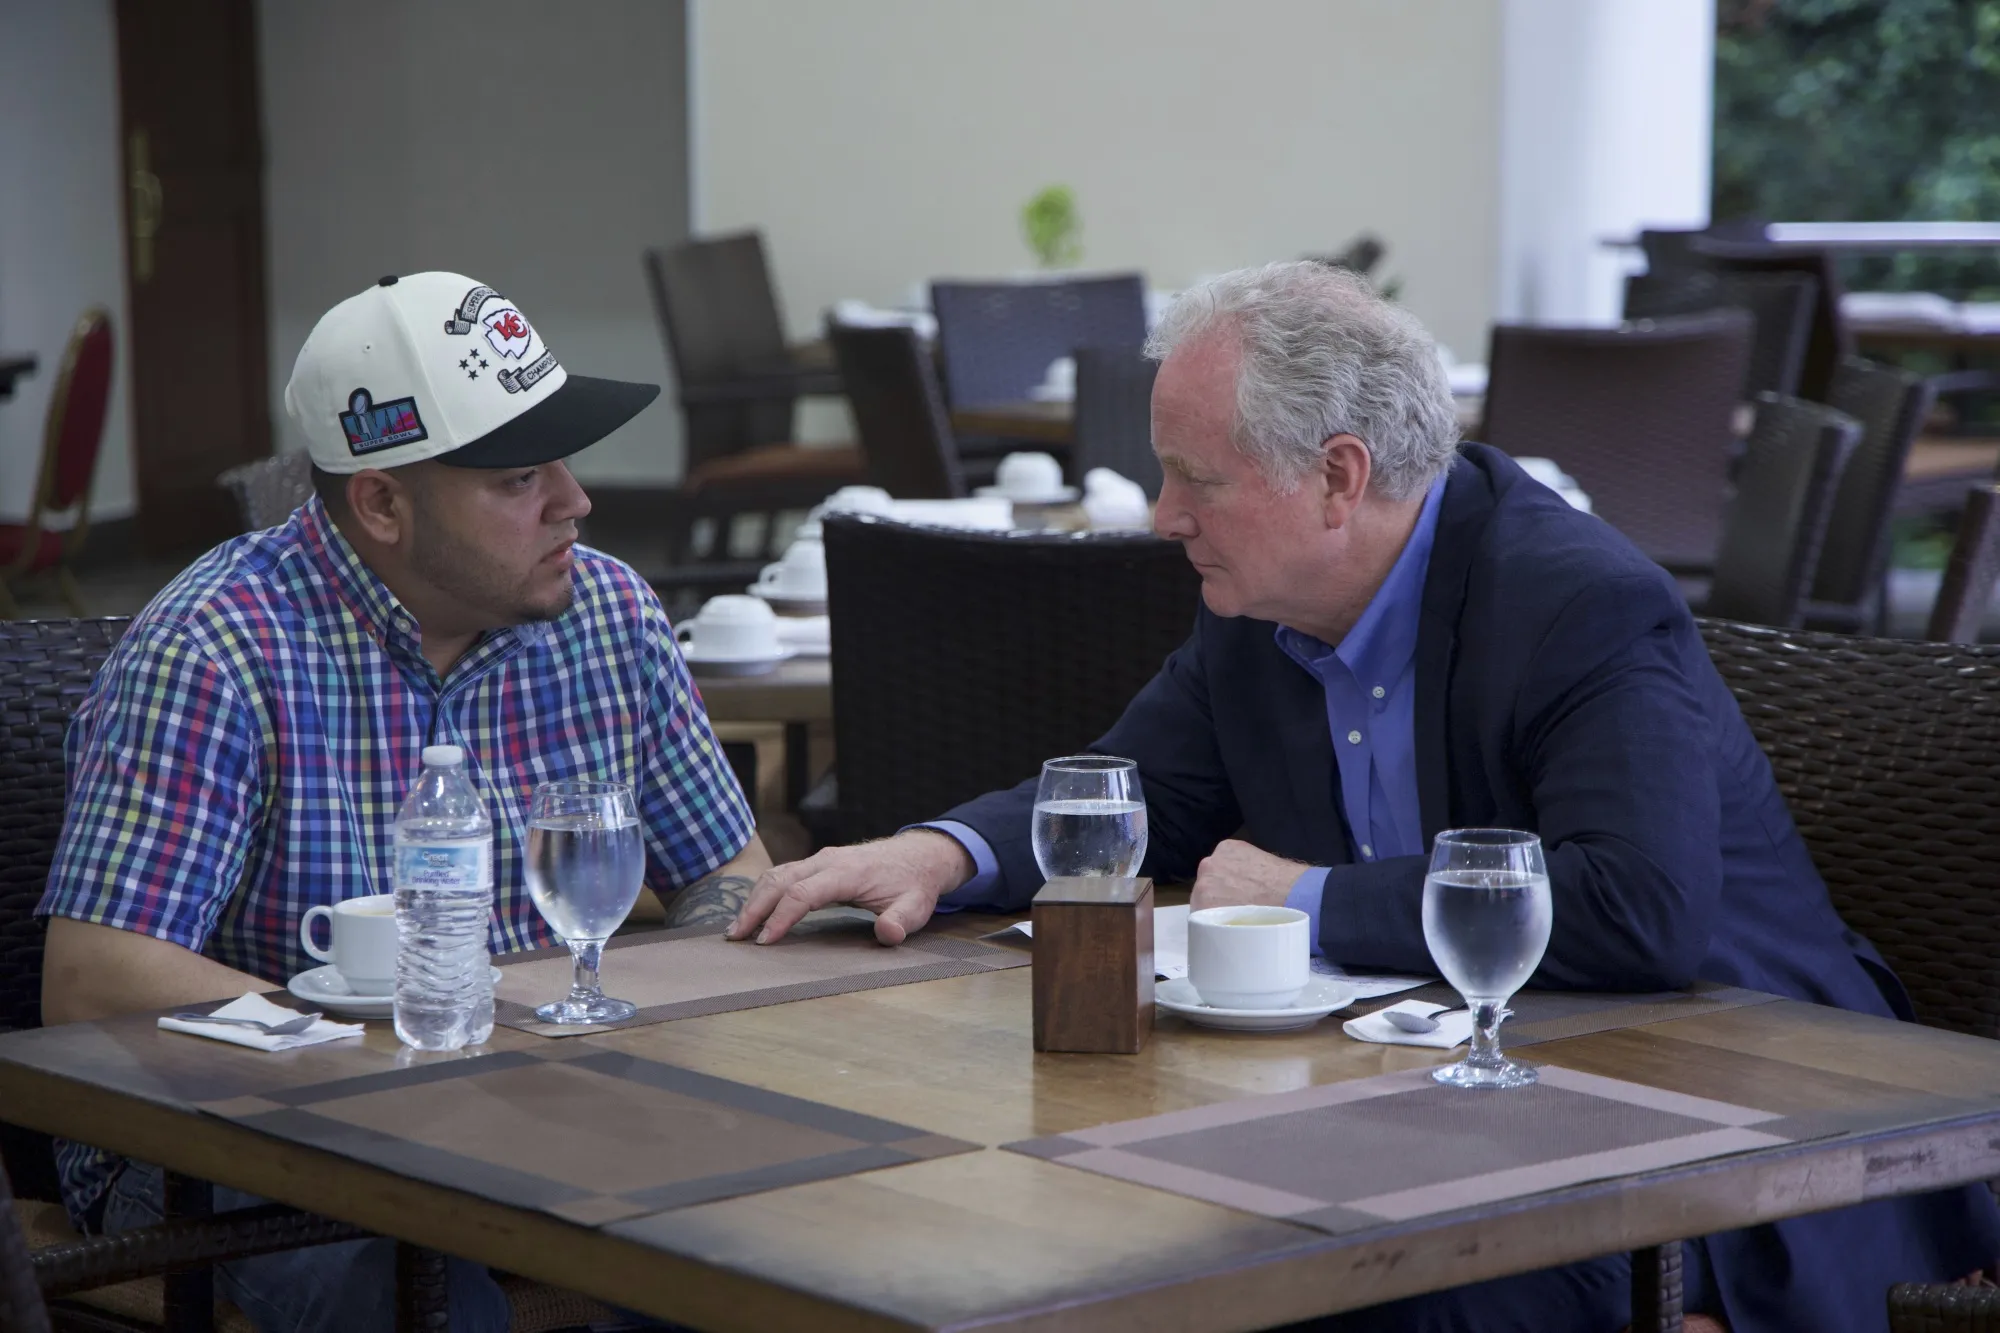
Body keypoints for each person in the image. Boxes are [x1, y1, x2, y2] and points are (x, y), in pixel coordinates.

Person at [730, 261, 2000, 1333]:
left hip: (1738, 1122)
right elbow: (1136, 792)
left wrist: (1309, 900)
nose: (1163, 516)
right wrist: (939, 851)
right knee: (1091, 1228)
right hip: (1454, 1103)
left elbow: (1635, 908)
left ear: (1338, 478)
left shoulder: (1574, 602)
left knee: (1320, 1294)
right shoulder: (1257, 608)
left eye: (1194, 478)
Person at [37, 271, 770, 1333]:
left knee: (768, 1238)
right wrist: (401, 1061)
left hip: (544, 1107)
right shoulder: (216, 649)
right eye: (520, 477)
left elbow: (728, 875)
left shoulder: (607, 613)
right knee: (413, 1292)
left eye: (564, 462)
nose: (576, 500)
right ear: (381, 504)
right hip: (236, 1139)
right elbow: (95, 978)